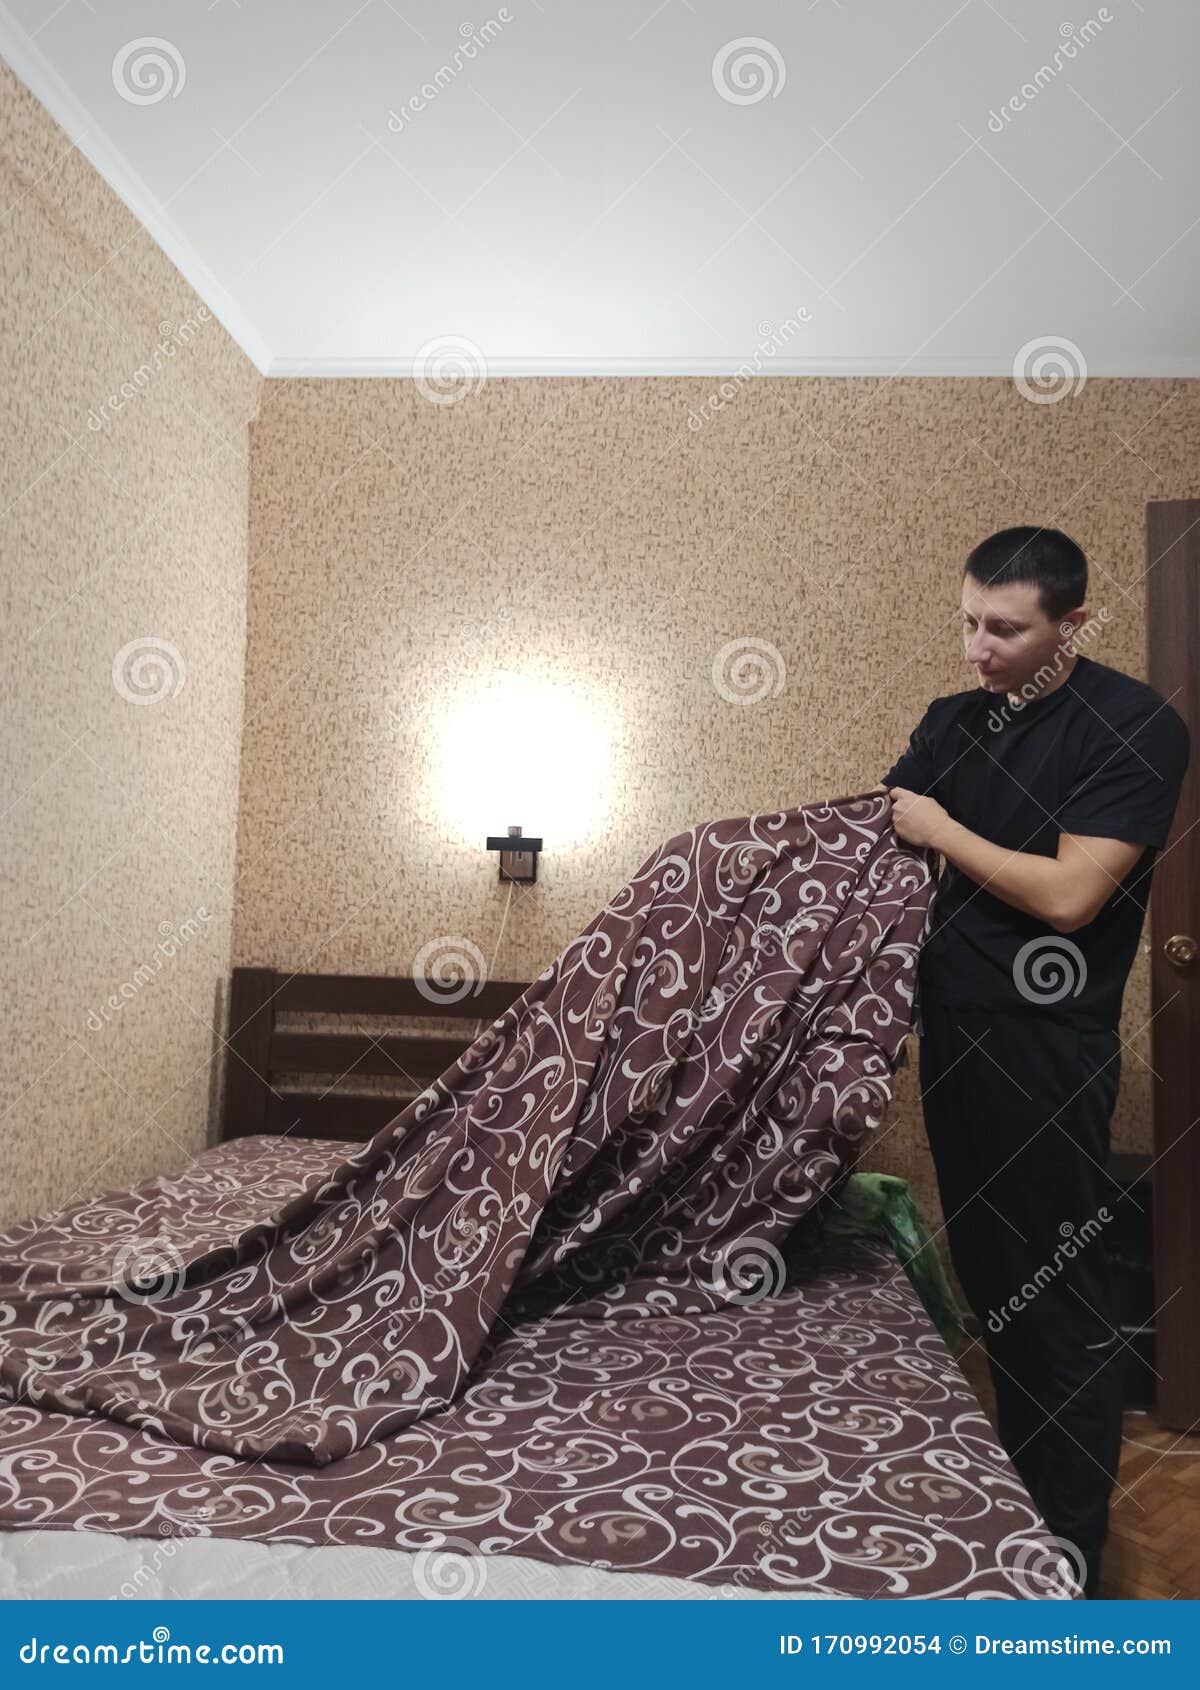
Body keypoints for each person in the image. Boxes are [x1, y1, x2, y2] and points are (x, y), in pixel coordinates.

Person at [883, 526, 1190, 1599]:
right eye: (969, 620)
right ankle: (1017, 1514)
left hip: (1049, 1049)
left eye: (1006, 628)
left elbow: (1069, 897)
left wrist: (942, 829)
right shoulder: (951, 723)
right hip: (954, 1033)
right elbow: (881, 849)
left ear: (1075, 623)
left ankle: (1070, 1554)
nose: (978, 646)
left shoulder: (1135, 726)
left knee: (1057, 1301)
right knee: (992, 1285)